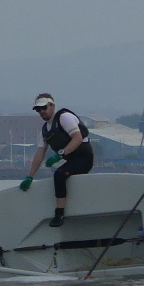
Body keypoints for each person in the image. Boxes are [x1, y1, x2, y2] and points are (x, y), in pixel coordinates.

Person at [20, 93, 94, 227]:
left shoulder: (64, 118)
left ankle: (59, 214)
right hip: (71, 160)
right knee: (60, 174)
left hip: (84, 158)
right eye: (38, 110)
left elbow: (77, 138)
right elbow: (40, 153)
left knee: (59, 175)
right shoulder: (44, 130)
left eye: (44, 108)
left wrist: (60, 155)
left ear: (52, 105)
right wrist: (30, 176)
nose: (41, 112)